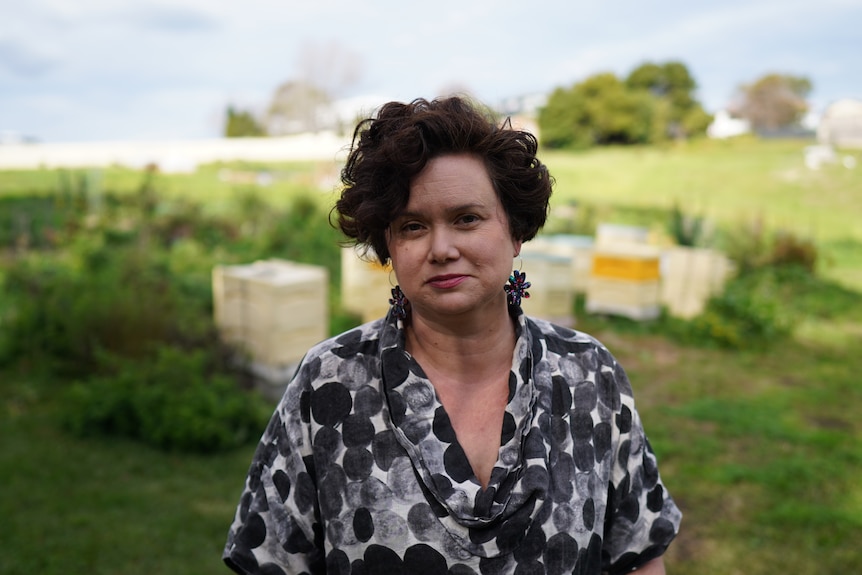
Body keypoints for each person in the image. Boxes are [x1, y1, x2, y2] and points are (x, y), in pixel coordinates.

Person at [223, 96, 681, 575]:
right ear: (390, 246)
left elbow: (638, 555)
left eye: (466, 218)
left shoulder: (591, 374)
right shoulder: (328, 383)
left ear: (516, 229)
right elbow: (271, 559)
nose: (441, 248)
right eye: (414, 226)